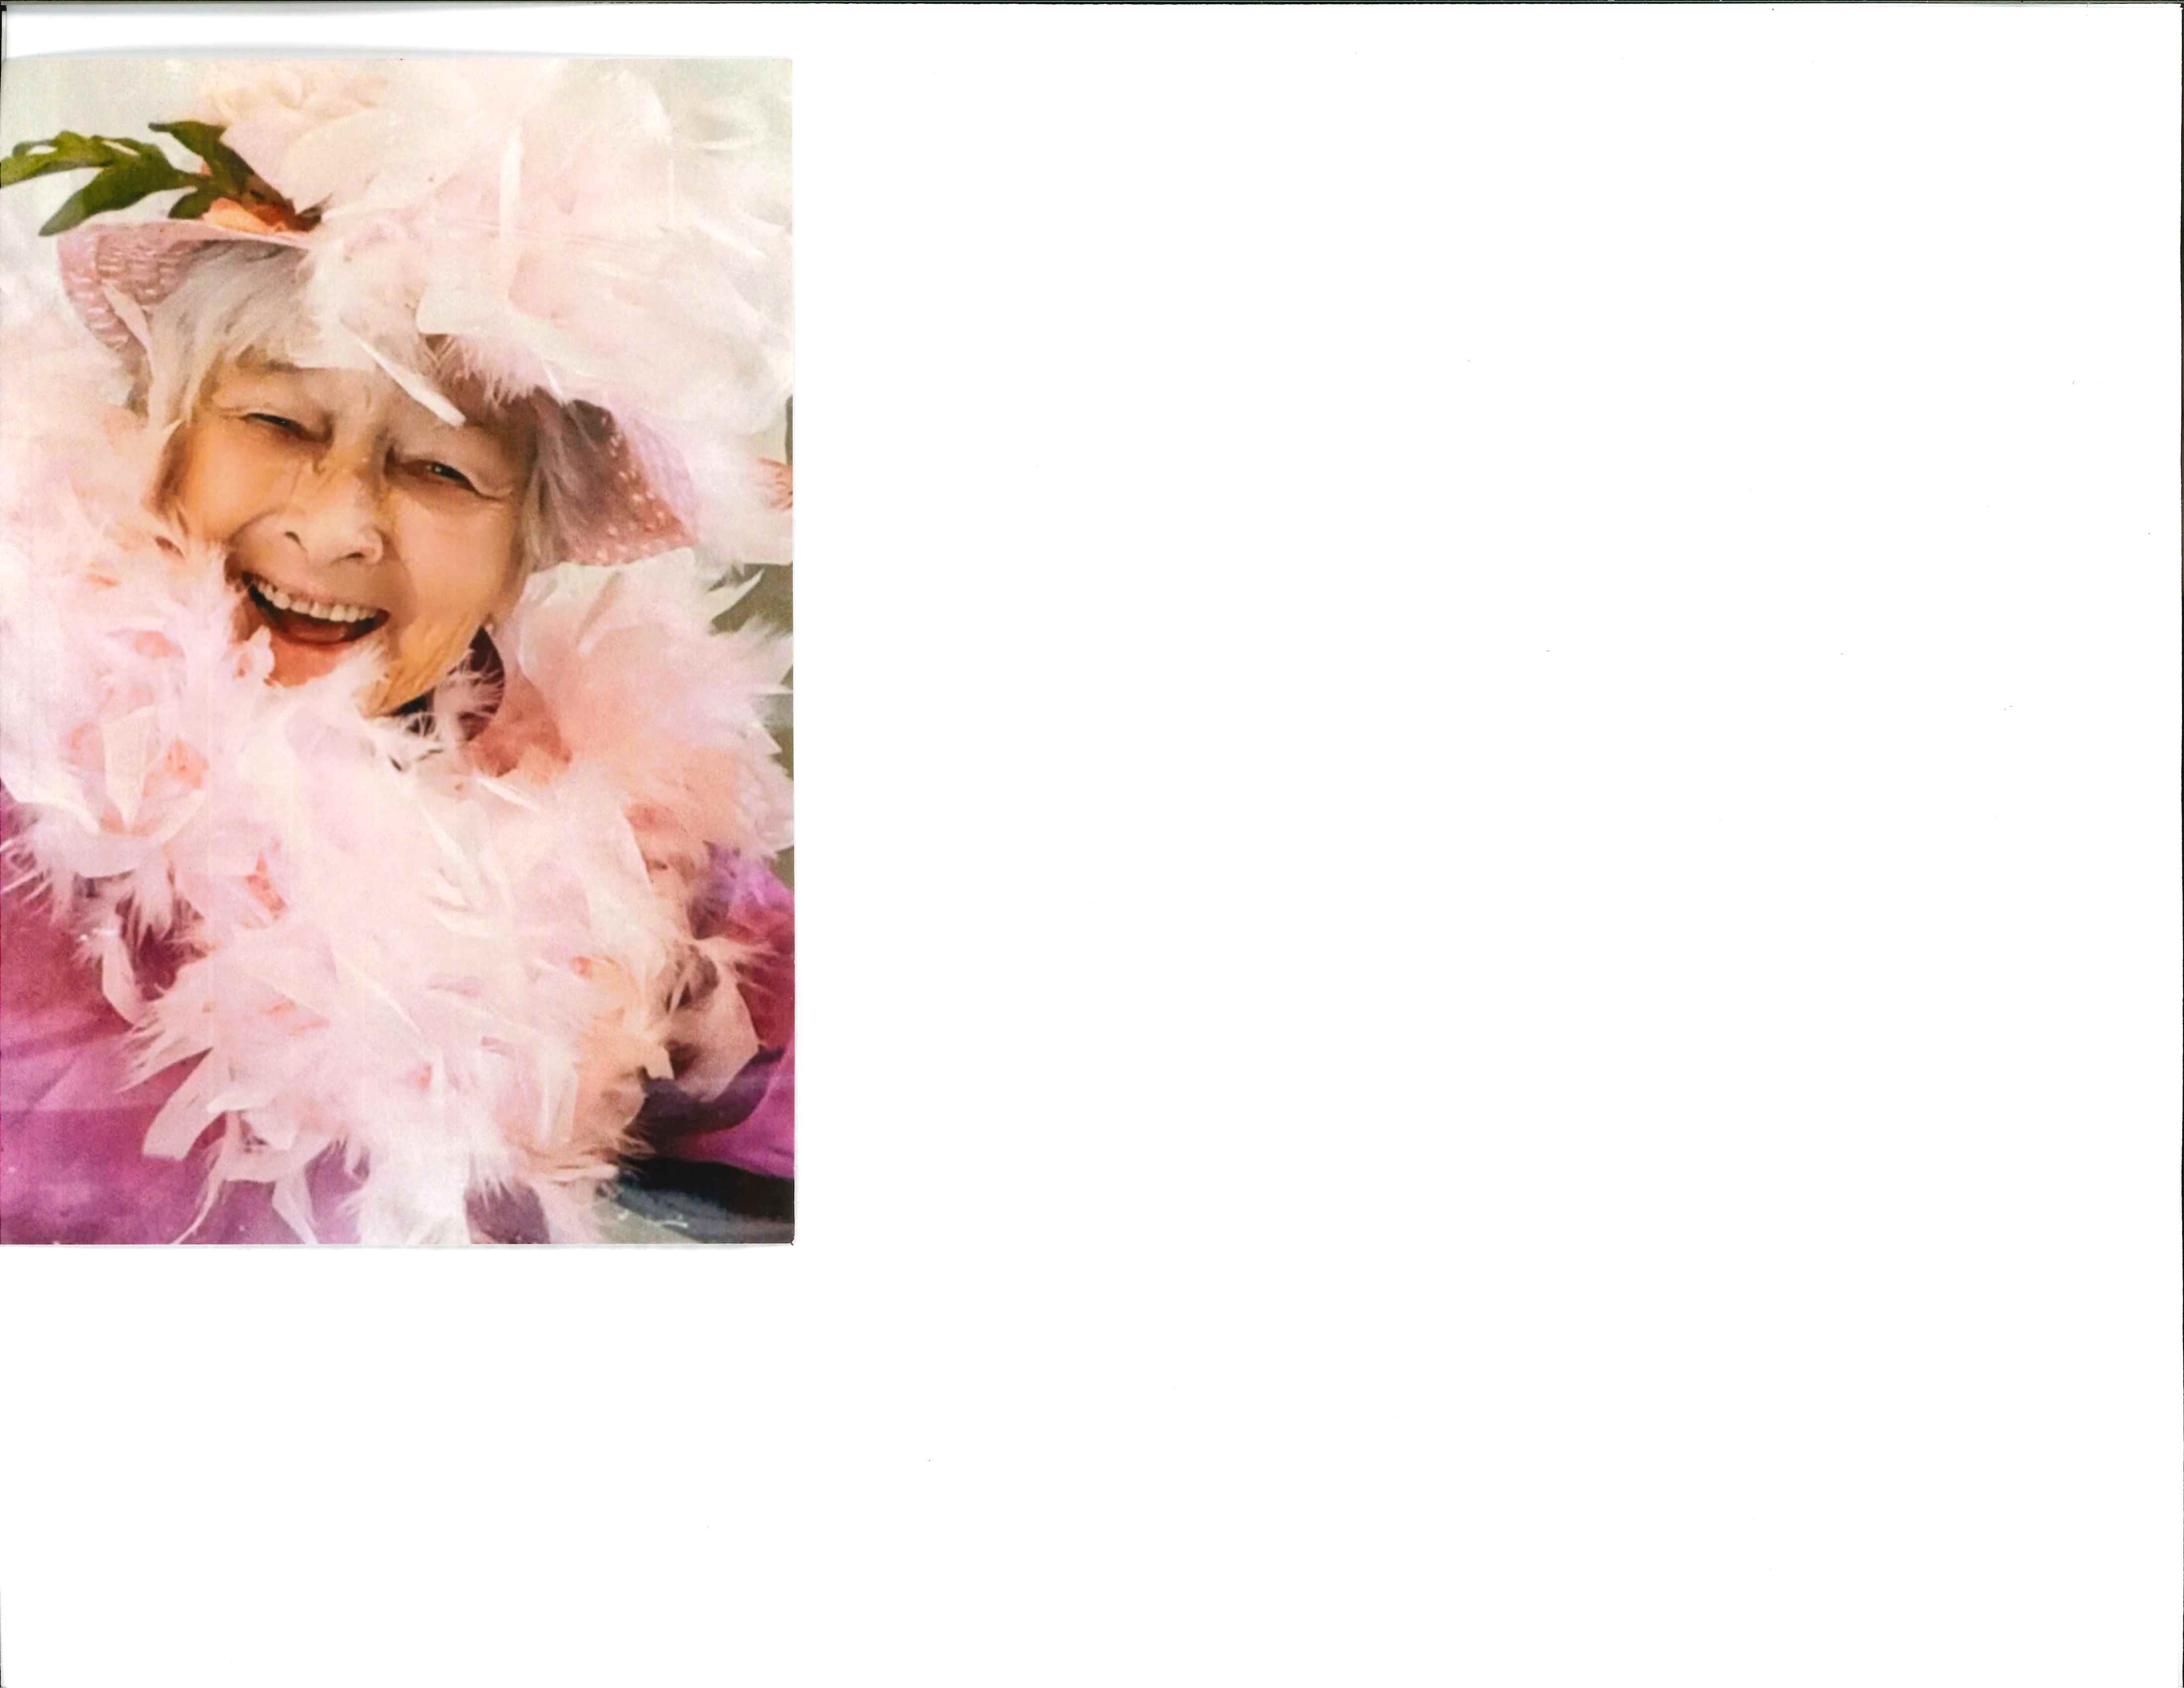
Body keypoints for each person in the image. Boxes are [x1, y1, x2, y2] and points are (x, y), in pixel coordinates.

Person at [0, 59, 795, 1243]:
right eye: (279, 421)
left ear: (522, 557)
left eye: (440, 470)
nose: (335, 525)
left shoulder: (633, 839)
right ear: (166, 433)